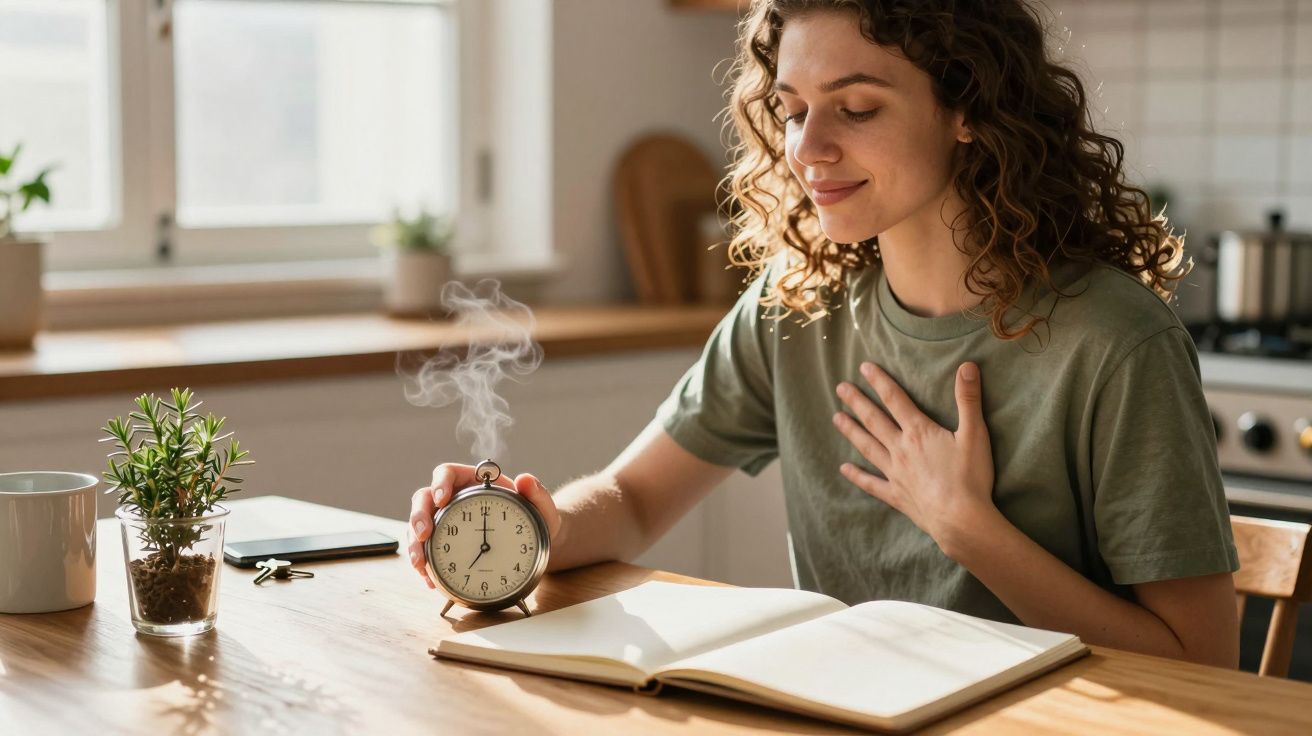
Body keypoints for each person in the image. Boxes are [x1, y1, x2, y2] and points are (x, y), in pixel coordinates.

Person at [407, 0, 1240, 667]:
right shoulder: (794, 309)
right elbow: (633, 500)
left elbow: (1201, 662)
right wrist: (534, 527)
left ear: (968, 109)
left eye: (857, 108)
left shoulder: (1116, 343)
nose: (808, 147)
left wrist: (967, 528)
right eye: (794, 110)